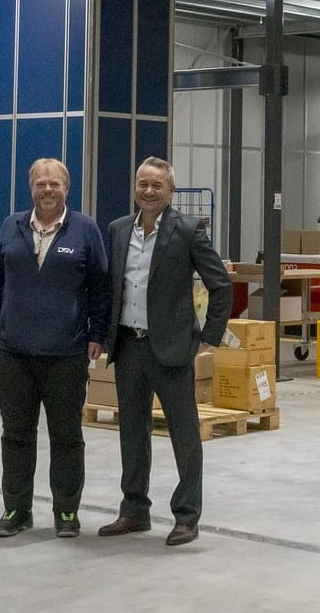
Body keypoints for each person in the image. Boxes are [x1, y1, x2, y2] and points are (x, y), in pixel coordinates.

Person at [97, 157, 232, 547]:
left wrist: (210, 336)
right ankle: (133, 510)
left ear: (171, 191)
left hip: (171, 349)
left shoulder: (187, 230)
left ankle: (187, 516)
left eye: (157, 185)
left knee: (184, 435)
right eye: (143, 184)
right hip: (128, 346)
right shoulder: (118, 229)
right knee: (131, 433)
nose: (149, 191)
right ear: (135, 188)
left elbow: (220, 285)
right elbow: (111, 288)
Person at [0, 158, 109, 539]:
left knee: (66, 436)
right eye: (40, 184)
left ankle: (66, 511)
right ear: (30, 187)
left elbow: (100, 287)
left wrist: (97, 334)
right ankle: (16, 509)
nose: (47, 190)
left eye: (55, 184)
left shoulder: (84, 230)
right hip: (14, 353)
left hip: (66, 354)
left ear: (67, 188)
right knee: (16, 434)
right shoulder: (11, 226)